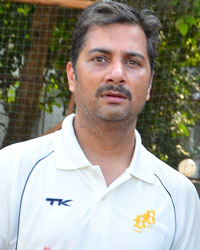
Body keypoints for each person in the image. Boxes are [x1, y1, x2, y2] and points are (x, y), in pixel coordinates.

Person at [0, 1, 199, 250]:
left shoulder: (179, 196)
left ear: (149, 85)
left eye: (133, 62)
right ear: (72, 76)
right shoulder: (10, 171)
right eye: (100, 59)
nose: (116, 73)